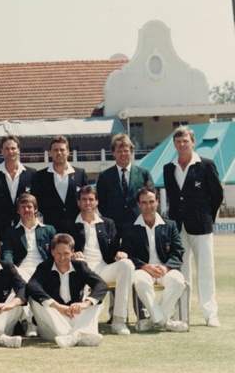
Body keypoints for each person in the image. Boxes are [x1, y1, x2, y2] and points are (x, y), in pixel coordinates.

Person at [162, 126, 224, 327]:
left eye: (185, 141)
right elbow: (173, 198)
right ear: (174, 144)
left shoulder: (206, 165)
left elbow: (217, 196)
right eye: (178, 142)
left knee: (205, 272)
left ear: (193, 142)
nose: (181, 145)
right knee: (180, 274)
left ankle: (210, 313)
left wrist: (207, 217)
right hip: (178, 228)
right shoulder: (168, 168)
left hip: (202, 226)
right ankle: (181, 313)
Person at [69, 186, 135, 335]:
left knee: (127, 264)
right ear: (78, 202)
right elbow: (65, 248)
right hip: (82, 269)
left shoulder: (108, 223)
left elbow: (113, 250)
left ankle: (119, 320)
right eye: (84, 199)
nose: (88, 203)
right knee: (79, 266)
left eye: (91, 199)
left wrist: (120, 254)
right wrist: (72, 254)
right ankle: (84, 325)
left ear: (97, 202)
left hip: (104, 268)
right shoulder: (70, 224)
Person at [121, 186, 187, 332]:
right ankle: (164, 321)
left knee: (178, 280)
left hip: (165, 269)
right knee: (140, 280)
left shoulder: (170, 225)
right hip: (142, 269)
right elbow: (128, 254)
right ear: (138, 204)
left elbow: (178, 252)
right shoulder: (129, 227)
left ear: (157, 201)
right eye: (144, 202)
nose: (148, 206)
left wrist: (167, 267)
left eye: (151, 201)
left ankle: (153, 320)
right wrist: (144, 266)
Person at [26, 234, 108, 348]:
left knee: (97, 300)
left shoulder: (80, 266)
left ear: (72, 252)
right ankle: (82, 335)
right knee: (34, 300)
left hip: (74, 315)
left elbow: (101, 284)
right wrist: (57, 306)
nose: (62, 258)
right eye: (58, 253)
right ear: (52, 251)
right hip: (54, 322)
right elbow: (32, 286)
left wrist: (85, 303)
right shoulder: (44, 267)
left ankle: (75, 336)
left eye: (66, 253)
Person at [1, 193, 56, 338]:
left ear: (35, 209)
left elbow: (55, 252)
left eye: (29, 206)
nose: (26, 210)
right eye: (22, 207)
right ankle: (30, 322)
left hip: (43, 268)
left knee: (27, 285)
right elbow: (7, 252)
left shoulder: (48, 229)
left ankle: (30, 322)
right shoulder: (11, 232)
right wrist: (12, 267)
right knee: (23, 282)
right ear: (18, 211)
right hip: (21, 268)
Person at [96, 133, 153, 236]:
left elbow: (151, 199)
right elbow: (101, 202)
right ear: (113, 153)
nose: (123, 154)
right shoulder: (104, 176)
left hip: (139, 224)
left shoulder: (144, 174)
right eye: (119, 151)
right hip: (114, 227)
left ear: (131, 152)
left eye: (126, 151)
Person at [0, 135, 37, 237]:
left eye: (13, 148)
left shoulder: (31, 174)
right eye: (7, 149)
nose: (10, 151)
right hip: (1, 228)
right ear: (2, 151)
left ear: (18, 150)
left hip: (26, 226)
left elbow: (36, 199)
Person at [32, 136, 88, 234]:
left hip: (77, 228)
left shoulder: (80, 173)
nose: (59, 153)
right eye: (55, 150)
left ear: (68, 151)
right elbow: (37, 202)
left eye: (62, 150)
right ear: (50, 152)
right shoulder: (40, 176)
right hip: (51, 229)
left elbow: (86, 199)